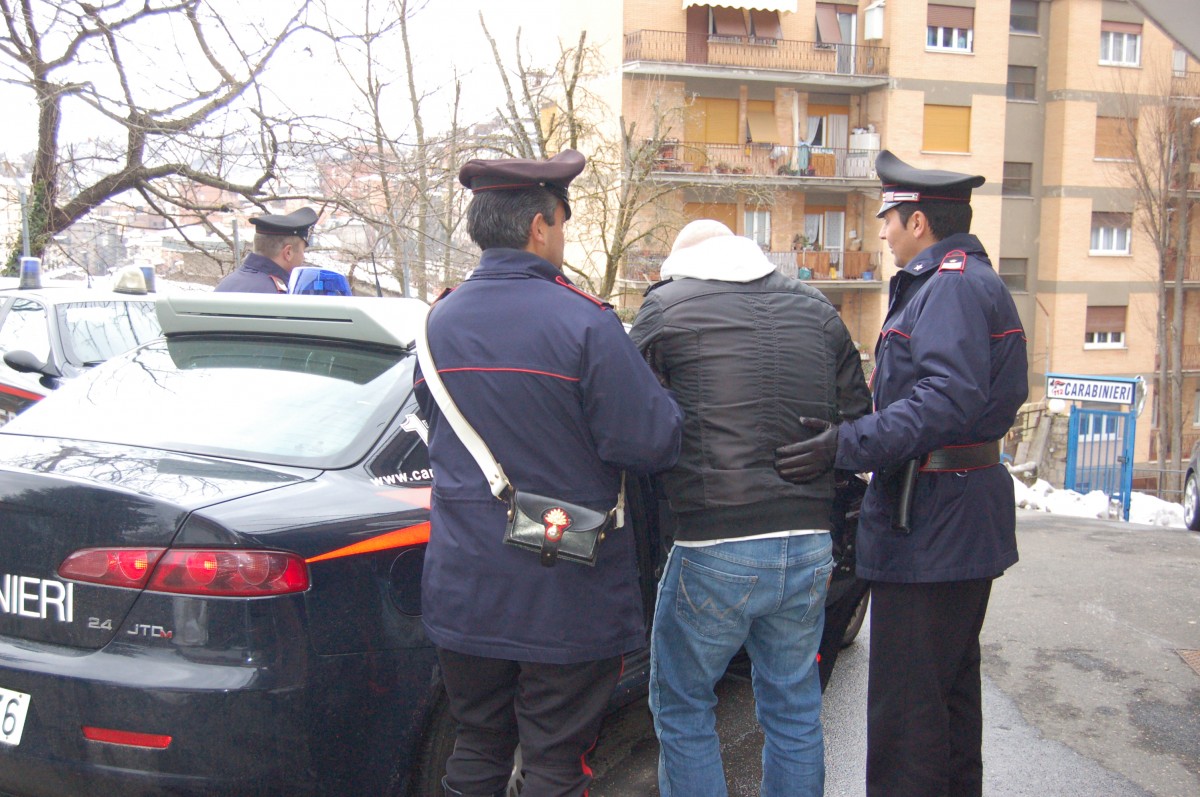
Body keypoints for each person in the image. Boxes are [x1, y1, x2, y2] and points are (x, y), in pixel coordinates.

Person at [414, 148, 683, 797]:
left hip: (465, 584)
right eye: (562, 221)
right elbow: (652, 442)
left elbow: (432, 424)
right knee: (555, 762)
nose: (562, 235)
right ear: (540, 226)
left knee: (477, 744)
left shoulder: (436, 323)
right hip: (566, 585)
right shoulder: (585, 322)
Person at [775, 150, 1029, 797]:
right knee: (944, 705)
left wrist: (846, 443)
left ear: (918, 222)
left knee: (907, 720)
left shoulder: (948, 286)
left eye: (888, 218)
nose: (882, 232)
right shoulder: (962, 281)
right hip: (950, 517)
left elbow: (943, 400)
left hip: (933, 525)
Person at [629, 220, 872, 797]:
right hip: (809, 539)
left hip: (715, 544)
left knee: (684, 704)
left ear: (682, 264)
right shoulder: (819, 311)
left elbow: (628, 414)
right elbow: (859, 418)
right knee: (794, 707)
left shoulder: (665, 309)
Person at [214, 207, 319, 293]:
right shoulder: (280, 297)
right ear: (288, 253)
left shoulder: (226, 285)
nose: (303, 257)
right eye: (302, 251)